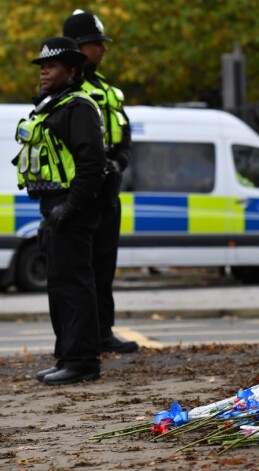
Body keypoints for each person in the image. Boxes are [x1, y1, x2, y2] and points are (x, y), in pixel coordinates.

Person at [13, 37, 107, 385]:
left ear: (71, 69)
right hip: (54, 206)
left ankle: (83, 362)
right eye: (42, 66)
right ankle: (68, 356)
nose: (44, 72)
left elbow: (92, 164)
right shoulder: (53, 106)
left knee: (75, 285)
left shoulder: (78, 107)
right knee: (60, 285)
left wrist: (69, 207)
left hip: (72, 207)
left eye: (51, 66)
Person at [63, 10, 137, 354]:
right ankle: (83, 340)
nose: (103, 50)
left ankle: (103, 331)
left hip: (108, 189)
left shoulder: (107, 89)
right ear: (80, 46)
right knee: (81, 271)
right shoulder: (67, 88)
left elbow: (124, 133)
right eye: (97, 44)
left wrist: (118, 162)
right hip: (82, 188)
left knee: (104, 265)